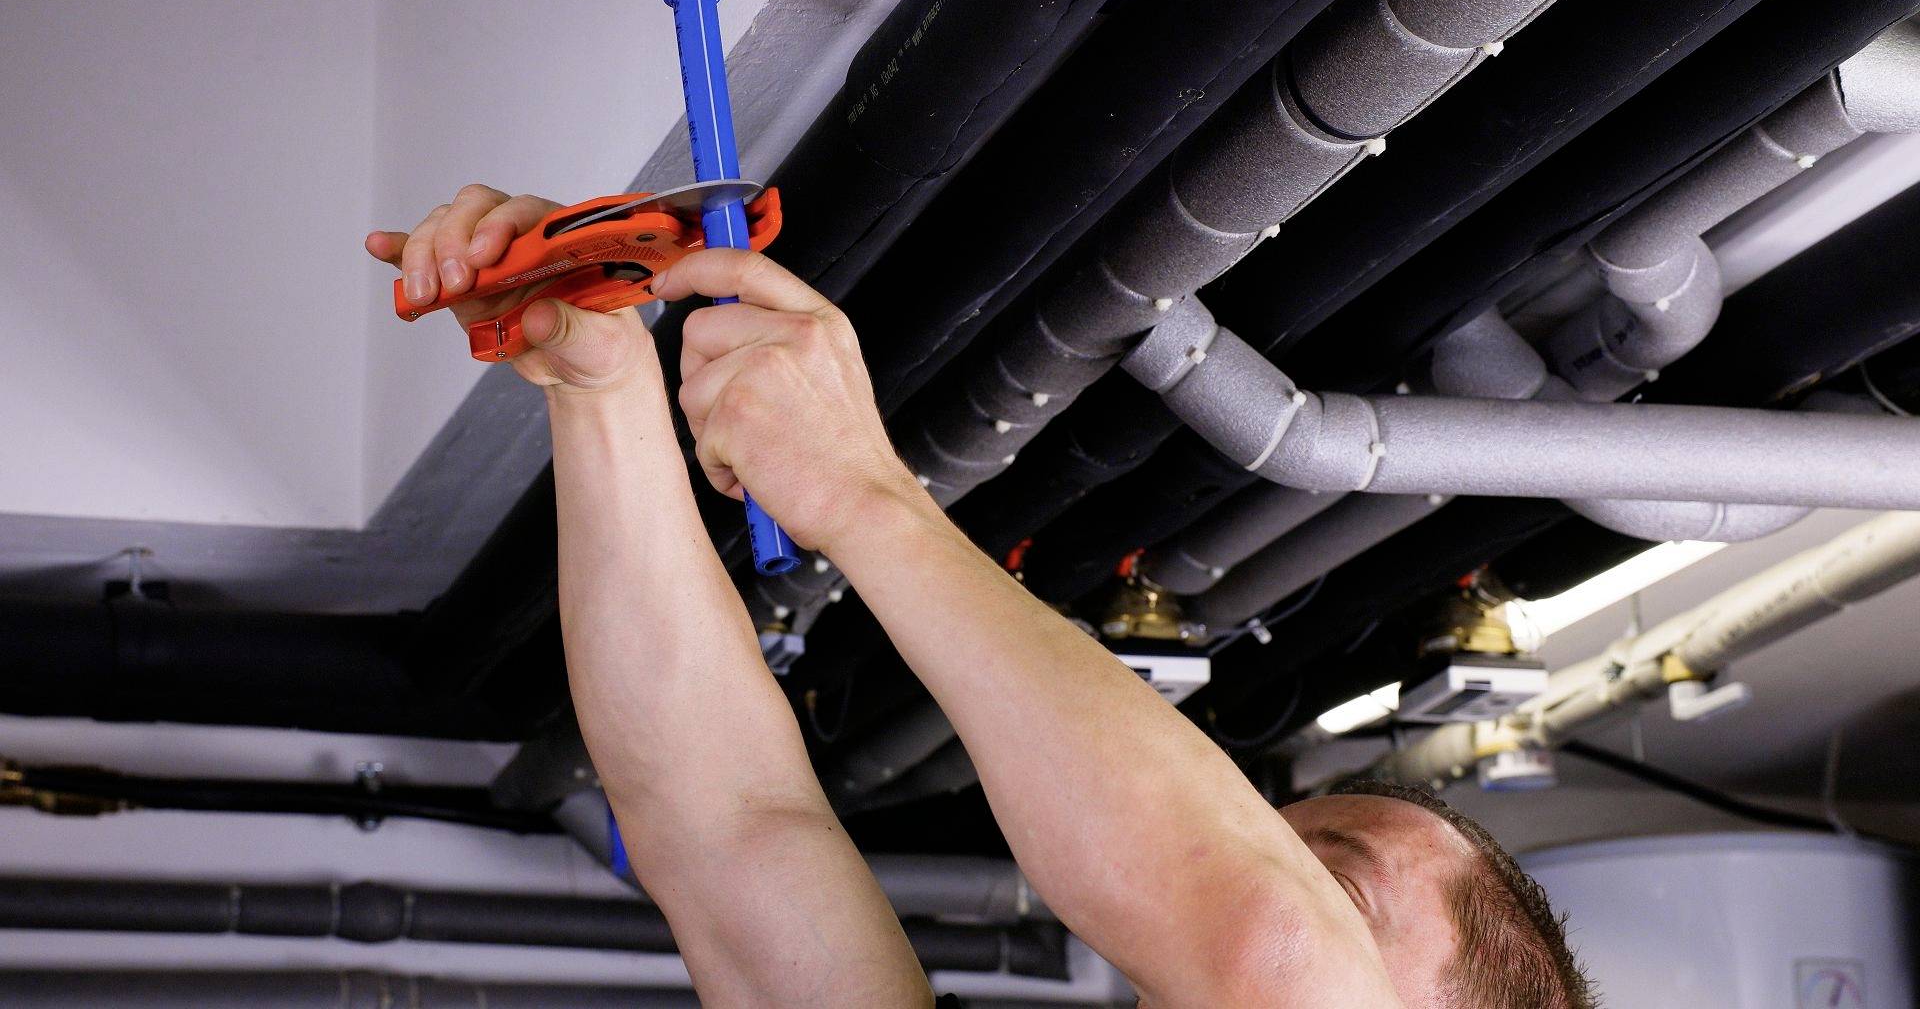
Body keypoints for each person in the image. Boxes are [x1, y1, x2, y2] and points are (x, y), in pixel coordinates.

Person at [368, 185, 1595, 1008]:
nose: (1258, 861)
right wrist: (600, 388)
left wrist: (863, 495)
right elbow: (725, 829)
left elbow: (1261, 942)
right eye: (1280, 843)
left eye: (1335, 896)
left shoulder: (1264, 943)